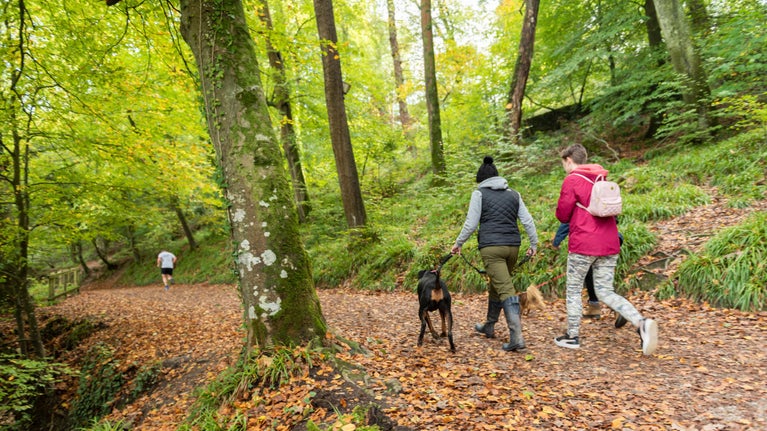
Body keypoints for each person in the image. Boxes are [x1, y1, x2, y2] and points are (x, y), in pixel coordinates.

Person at [554, 144, 657, 355]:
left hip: (583, 243)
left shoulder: (572, 179)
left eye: (563, 163)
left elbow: (563, 215)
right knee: (604, 290)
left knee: (573, 290)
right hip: (609, 242)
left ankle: (572, 336)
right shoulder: (601, 178)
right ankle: (641, 323)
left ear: (569, 160)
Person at [451, 156, 538, 352]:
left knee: (505, 288)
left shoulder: (479, 193)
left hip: (491, 248)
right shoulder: (514, 194)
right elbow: (528, 221)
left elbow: (471, 223)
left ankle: (517, 338)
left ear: (481, 180)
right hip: (513, 247)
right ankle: (489, 324)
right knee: (498, 284)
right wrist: (533, 244)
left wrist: (458, 243)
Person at [553, 222, 627, 328]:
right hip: (611, 238)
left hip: (590, 239)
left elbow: (567, 220)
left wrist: (557, 240)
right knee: (593, 273)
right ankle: (594, 305)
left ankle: (619, 308)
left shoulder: (581, 204)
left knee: (593, 278)